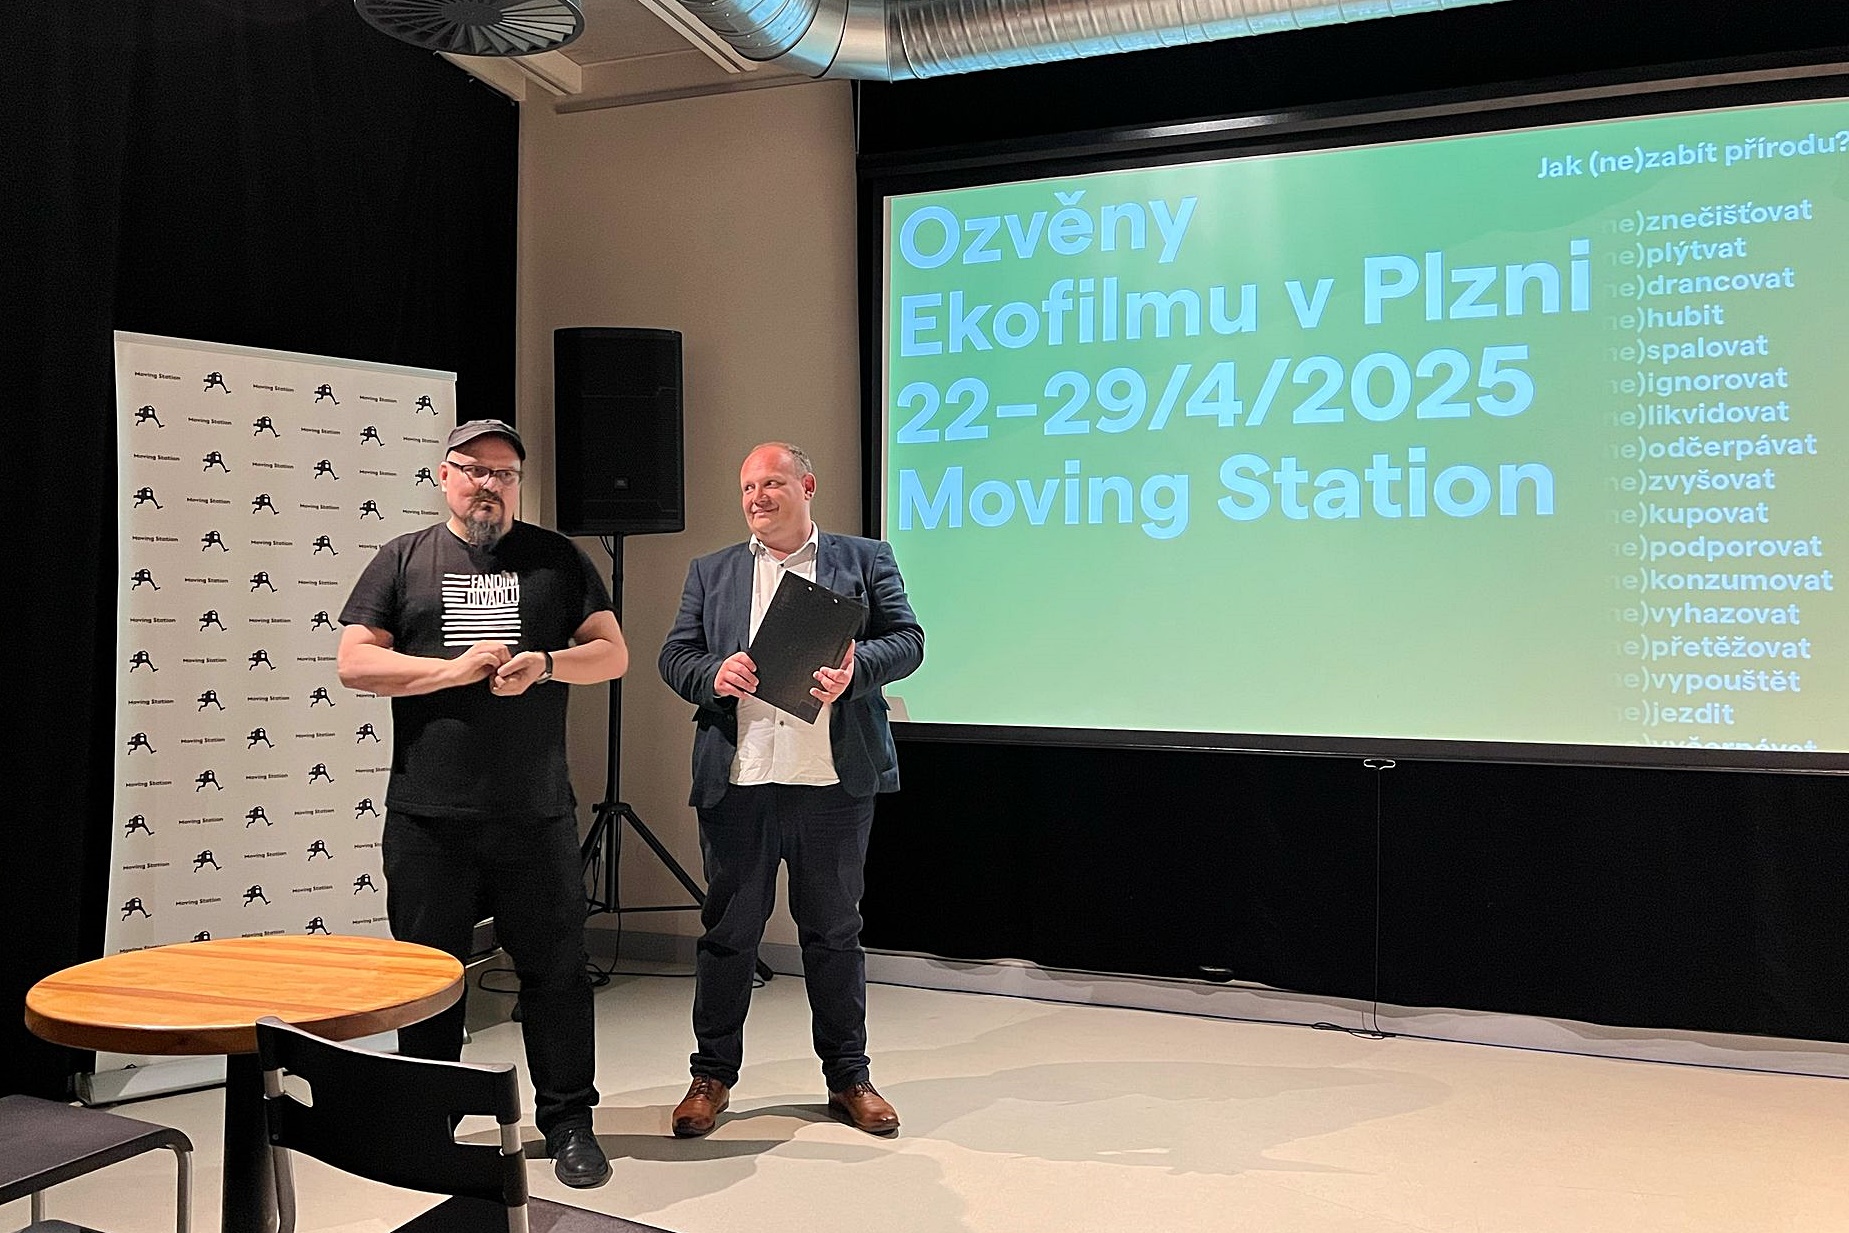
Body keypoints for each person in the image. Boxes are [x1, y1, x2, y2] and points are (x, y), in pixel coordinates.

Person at [336, 419, 627, 1188]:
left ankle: (568, 1123)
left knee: (556, 974)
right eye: (473, 468)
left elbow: (613, 652)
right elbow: (353, 663)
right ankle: (429, 1123)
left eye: (503, 472)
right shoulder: (403, 557)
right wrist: (448, 671)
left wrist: (546, 664)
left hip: (535, 812)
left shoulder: (557, 558)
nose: (487, 484)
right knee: (429, 981)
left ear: (518, 483)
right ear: (445, 475)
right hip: (428, 816)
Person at [658, 441, 925, 1138]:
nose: (757, 496)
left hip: (830, 783)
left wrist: (857, 668)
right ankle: (710, 1077)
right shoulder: (712, 570)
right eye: (748, 486)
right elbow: (674, 655)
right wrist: (712, 674)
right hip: (740, 780)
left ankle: (849, 1077)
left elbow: (908, 640)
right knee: (728, 935)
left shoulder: (863, 560)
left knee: (834, 934)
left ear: (807, 486)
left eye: (772, 482)